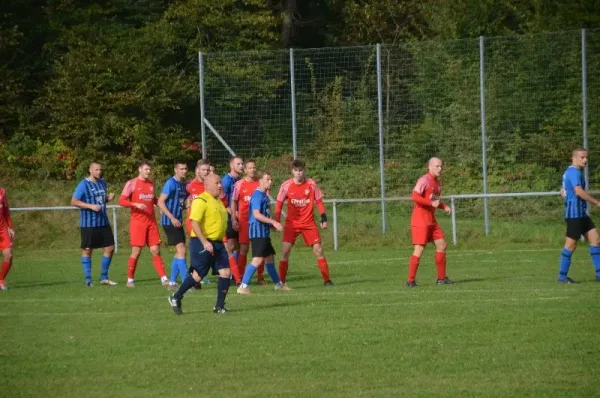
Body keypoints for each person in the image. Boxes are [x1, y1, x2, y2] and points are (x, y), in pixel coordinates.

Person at [168, 173, 231, 315]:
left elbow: (219, 224)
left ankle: (219, 306)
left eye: (220, 182)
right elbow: (194, 222)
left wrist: (223, 241)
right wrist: (204, 242)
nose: (220, 185)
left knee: (226, 272)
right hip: (202, 242)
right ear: (207, 185)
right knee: (198, 276)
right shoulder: (201, 200)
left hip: (218, 243)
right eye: (217, 183)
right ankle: (176, 297)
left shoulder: (219, 201)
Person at [275, 159, 334, 286]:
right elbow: (279, 204)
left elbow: (318, 201)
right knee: (285, 252)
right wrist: (277, 221)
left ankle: (327, 280)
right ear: (292, 171)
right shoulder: (286, 186)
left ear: (304, 171)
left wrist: (323, 217)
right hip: (292, 224)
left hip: (308, 223)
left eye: (300, 170)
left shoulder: (311, 184)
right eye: (296, 171)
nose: (298, 173)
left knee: (318, 250)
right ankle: (281, 283)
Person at [237, 171, 291, 295]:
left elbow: (263, 215)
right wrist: (273, 222)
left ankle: (279, 284)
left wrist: (271, 226)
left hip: (264, 233)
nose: (270, 182)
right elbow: (256, 214)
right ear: (260, 180)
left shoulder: (264, 196)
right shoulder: (257, 195)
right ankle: (243, 286)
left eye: (271, 179)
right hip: (257, 233)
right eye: (267, 179)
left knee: (270, 259)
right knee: (257, 259)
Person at [119, 160, 169, 288]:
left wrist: (162, 207)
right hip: (138, 222)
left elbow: (153, 199)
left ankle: (164, 278)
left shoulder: (151, 184)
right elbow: (122, 201)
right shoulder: (132, 183)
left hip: (151, 221)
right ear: (139, 169)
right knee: (136, 251)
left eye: (149, 169)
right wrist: (134, 204)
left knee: (155, 250)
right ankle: (130, 280)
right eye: (146, 169)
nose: (148, 171)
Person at [406, 157, 454, 287]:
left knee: (442, 245)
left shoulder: (437, 184)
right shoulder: (424, 180)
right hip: (420, 219)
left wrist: (444, 207)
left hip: (431, 220)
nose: (440, 169)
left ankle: (441, 279)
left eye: (441, 166)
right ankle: (410, 281)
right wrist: (430, 203)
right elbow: (415, 196)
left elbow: (435, 201)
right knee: (419, 249)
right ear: (430, 167)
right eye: (437, 166)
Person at [70, 161, 117, 287]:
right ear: (90, 170)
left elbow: (100, 199)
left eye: (100, 169)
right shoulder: (83, 184)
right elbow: (74, 201)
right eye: (96, 170)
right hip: (88, 223)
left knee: (110, 248)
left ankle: (104, 277)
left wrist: (108, 198)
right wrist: (90, 206)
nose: (99, 172)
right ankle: (88, 280)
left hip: (103, 221)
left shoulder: (102, 183)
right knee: (87, 250)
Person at [557, 147, 600, 284]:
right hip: (574, 214)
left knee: (596, 239)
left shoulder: (570, 172)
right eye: (582, 157)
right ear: (573, 158)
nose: (585, 160)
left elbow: (564, 191)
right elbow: (578, 192)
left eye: (586, 157)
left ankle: (599, 274)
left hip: (581, 213)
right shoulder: (574, 172)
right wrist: (596, 202)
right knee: (571, 245)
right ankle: (562, 278)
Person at [231, 160, 266, 284]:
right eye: (250, 168)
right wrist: (234, 218)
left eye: (254, 167)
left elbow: (265, 200)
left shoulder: (260, 183)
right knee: (244, 249)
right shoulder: (239, 184)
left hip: (258, 223)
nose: (252, 170)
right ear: (245, 170)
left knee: (260, 250)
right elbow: (234, 201)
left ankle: (260, 277)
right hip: (244, 222)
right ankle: (239, 278)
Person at [157, 161, 189, 290]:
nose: (184, 171)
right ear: (175, 170)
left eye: (185, 168)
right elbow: (160, 202)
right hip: (169, 222)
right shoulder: (171, 183)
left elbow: (182, 203)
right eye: (181, 169)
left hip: (178, 221)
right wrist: (171, 217)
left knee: (179, 251)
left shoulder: (183, 185)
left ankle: (172, 282)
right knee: (182, 249)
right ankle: (187, 282)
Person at [221, 156, 244, 283]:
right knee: (230, 247)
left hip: (238, 217)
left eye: (242, 163)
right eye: (238, 164)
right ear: (231, 165)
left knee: (238, 246)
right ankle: (229, 274)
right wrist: (234, 216)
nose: (241, 166)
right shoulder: (226, 180)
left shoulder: (239, 180)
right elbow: (223, 202)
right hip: (229, 218)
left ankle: (235, 274)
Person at [0, 186, 15, 291]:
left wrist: (10, 227)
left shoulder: (2, 192)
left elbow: (5, 211)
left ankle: (0, 279)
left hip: (1, 228)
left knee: (8, 255)